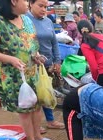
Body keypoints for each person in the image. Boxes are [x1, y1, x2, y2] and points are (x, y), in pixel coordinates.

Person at [0, 0, 50, 140]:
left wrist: (36, 56)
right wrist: (10, 59)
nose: (27, 3)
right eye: (25, 0)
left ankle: (38, 136)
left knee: (37, 107)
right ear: (13, 1)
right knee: (25, 110)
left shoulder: (25, 19)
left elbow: (31, 42)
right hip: (14, 75)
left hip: (32, 72)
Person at [27, 0, 65, 131]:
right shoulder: (25, 20)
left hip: (48, 65)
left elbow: (54, 43)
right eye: (40, 6)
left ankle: (50, 121)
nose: (43, 9)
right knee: (34, 97)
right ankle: (34, 126)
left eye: (45, 7)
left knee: (47, 93)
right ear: (31, 4)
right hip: (33, 65)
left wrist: (57, 61)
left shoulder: (48, 21)